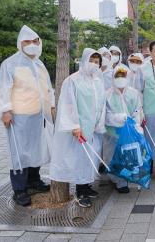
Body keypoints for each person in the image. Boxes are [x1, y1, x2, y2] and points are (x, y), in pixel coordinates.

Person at [0, 25, 54, 206]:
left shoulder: (39, 64)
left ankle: (34, 180)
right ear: (20, 43)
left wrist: (52, 106)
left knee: (37, 148)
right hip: (19, 117)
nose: (32, 44)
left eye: (35, 41)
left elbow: (47, 88)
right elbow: (3, 88)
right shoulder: (10, 64)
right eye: (28, 41)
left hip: (39, 116)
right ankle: (19, 190)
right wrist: (5, 110)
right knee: (19, 152)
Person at [50, 48, 106, 208]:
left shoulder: (98, 80)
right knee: (80, 159)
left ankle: (86, 187)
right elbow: (68, 104)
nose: (94, 64)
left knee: (91, 158)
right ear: (83, 60)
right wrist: (74, 126)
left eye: (97, 62)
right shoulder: (73, 80)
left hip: (94, 128)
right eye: (91, 60)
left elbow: (102, 104)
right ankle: (80, 192)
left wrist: (99, 123)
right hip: (80, 128)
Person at [103, 66, 143, 193]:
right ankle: (118, 180)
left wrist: (136, 123)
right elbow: (106, 114)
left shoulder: (133, 93)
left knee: (128, 154)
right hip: (113, 132)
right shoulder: (107, 95)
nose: (120, 79)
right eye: (118, 76)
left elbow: (138, 110)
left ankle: (128, 177)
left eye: (123, 76)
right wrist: (119, 119)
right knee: (112, 155)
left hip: (129, 131)